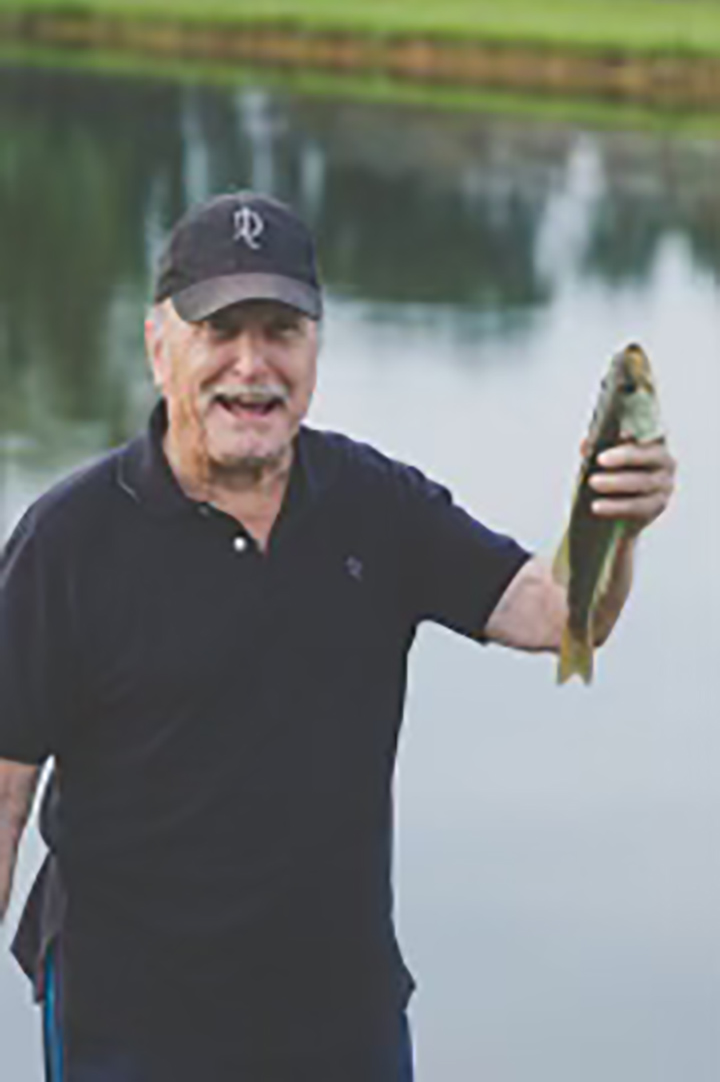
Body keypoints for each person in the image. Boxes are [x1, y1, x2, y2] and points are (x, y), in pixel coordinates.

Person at [0, 191, 676, 1082]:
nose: (253, 364)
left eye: (281, 328)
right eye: (220, 329)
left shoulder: (377, 504)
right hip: (128, 1029)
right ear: (159, 344)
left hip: (340, 1023)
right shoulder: (68, 541)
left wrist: (616, 521)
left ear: (316, 345)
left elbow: (562, 615)